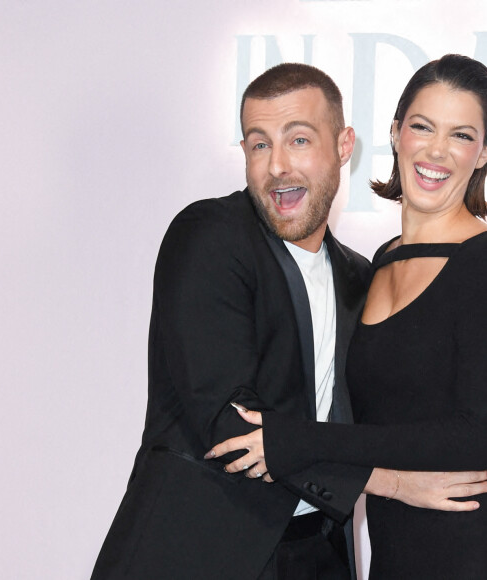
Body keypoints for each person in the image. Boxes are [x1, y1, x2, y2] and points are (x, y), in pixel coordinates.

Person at [91, 62, 486, 580]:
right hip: (196, 553)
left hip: (328, 556)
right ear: (395, 134)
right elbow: (231, 428)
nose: (278, 165)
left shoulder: (358, 276)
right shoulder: (211, 237)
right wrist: (390, 481)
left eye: (298, 140)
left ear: (345, 145)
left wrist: (320, 450)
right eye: (259, 144)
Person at [209, 54, 487, 579]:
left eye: (461, 135)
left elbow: (475, 434)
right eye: (423, 127)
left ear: (483, 153)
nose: (435, 150)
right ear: (396, 133)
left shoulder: (482, 261)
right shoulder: (377, 263)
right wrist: (388, 482)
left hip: (467, 550)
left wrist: (298, 440)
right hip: (390, 552)